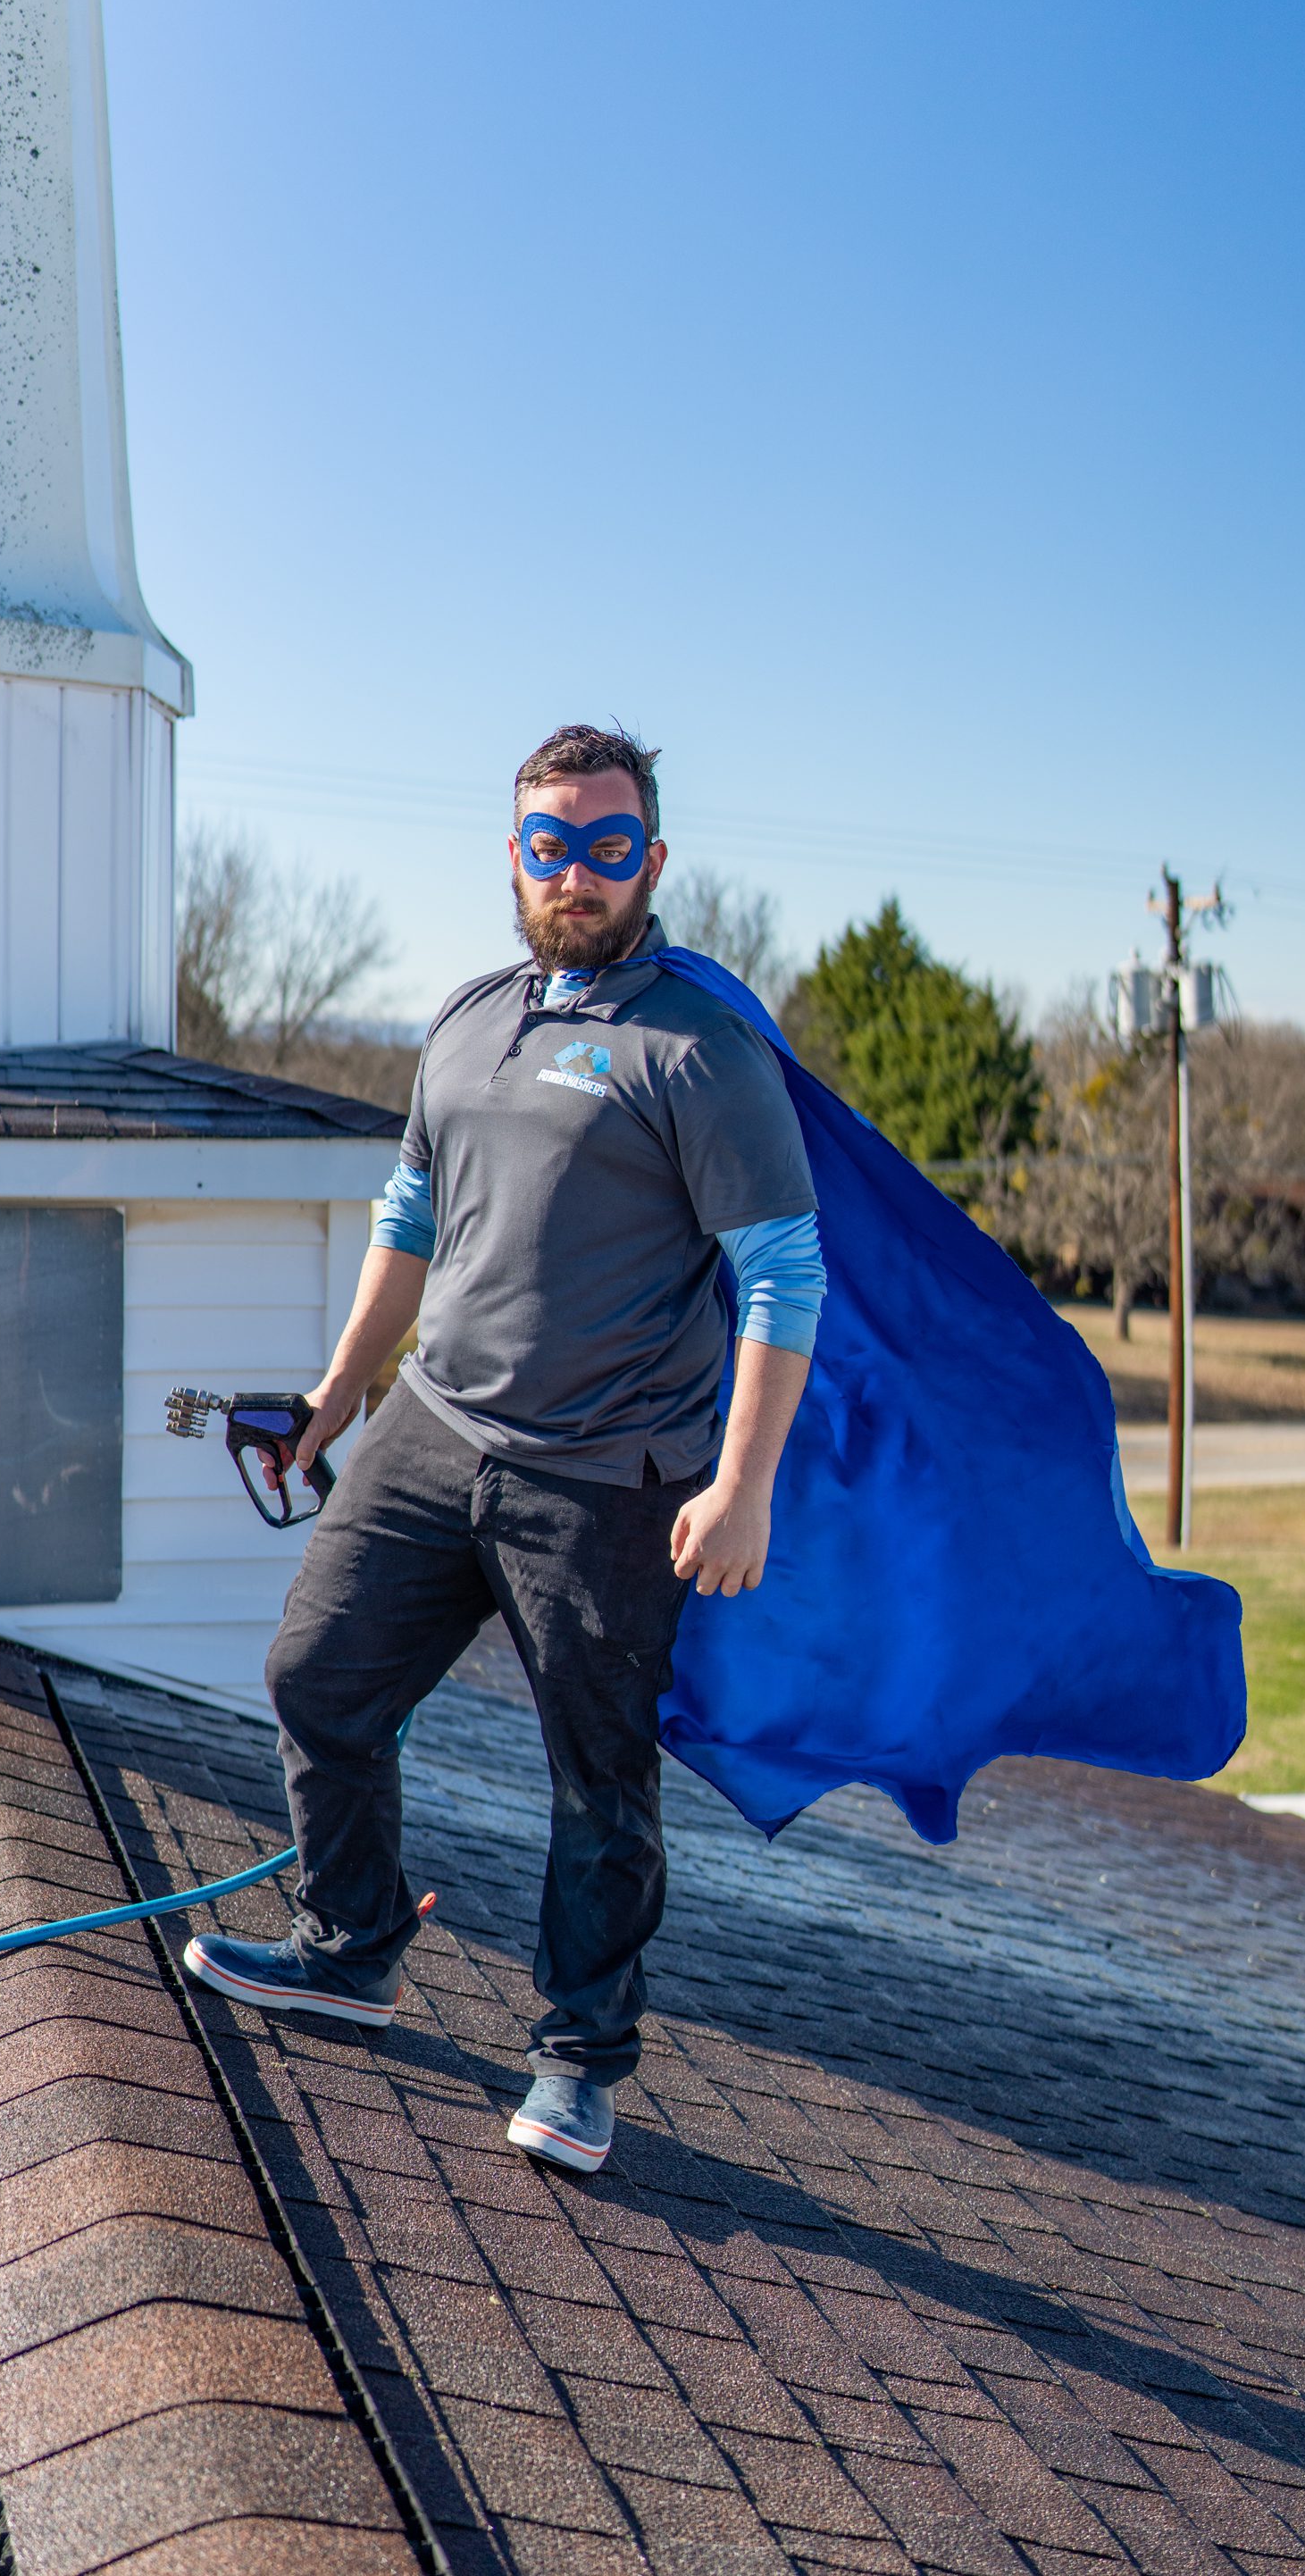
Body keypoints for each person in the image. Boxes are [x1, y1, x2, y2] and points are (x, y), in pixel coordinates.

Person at [184, 725, 825, 2171]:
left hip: (607, 1478)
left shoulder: (701, 1049)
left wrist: (742, 1485)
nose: (578, 873)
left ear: (650, 861)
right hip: (433, 1430)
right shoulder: (470, 1020)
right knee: (315, 1679)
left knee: (597, 1782)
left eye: (609, 847)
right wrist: (342, 1391)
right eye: (552, 844)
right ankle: (351, 1944)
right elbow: (410, 1219)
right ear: (517, 856)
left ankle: (579, 2059)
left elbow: (785, 1276)